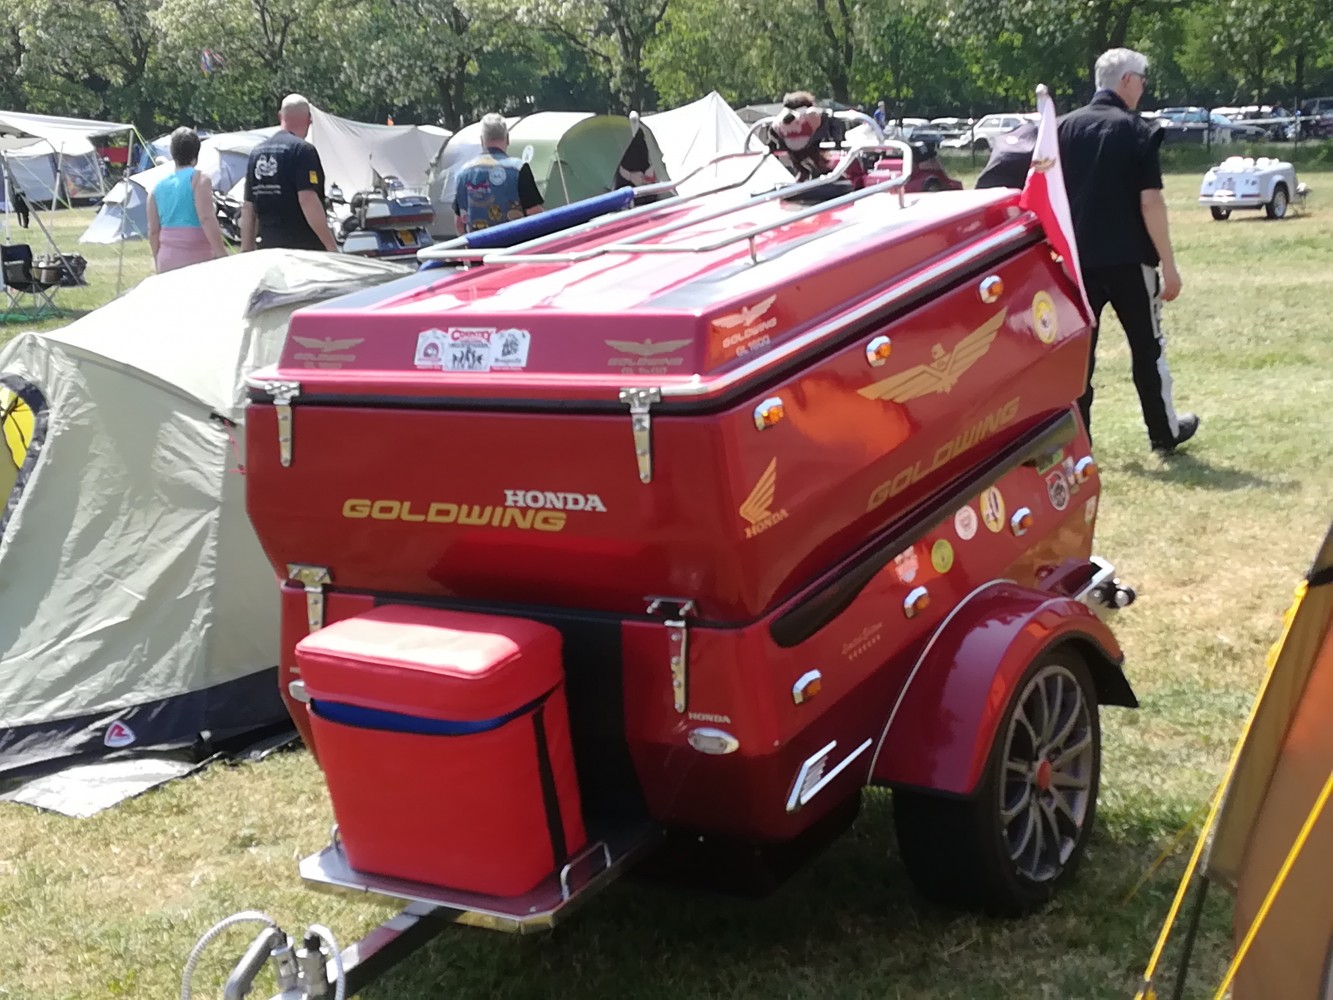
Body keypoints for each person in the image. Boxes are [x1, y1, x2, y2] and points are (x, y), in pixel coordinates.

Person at [1059, 48, 1199, 453]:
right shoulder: (1137, 130)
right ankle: (1163, 432)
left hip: (1077, 263)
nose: (1143, 87)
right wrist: (1169, 265)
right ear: (1126, 80)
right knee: (1147, 348)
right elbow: (1150, 202)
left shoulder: (1062, 129)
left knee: (1079, 356)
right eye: (1141, 79)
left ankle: (1078, 441)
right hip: (1129, 260)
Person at [241, 93, 338, 253]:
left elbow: (248, 207)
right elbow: (307, 199)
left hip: (268, 248)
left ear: (280, 116)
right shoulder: (303, 151)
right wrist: (331, 245)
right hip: (302, 249)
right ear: (309, 119)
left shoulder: (257, 153)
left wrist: (246, 249)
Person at [146, 127, 228, 273]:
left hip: (167, 259)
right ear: (196, 155)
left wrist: (157, 259)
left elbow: (153, 231)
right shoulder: (200, 180)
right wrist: (221, 253)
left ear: (172, 153)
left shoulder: (156, 189)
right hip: (197, 257)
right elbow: (206, 218)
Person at [453, 114, 543, 234]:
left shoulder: (463, 174)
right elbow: (535, 213)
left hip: (480, 244)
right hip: (516, 243)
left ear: (482, 140)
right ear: (507, 138)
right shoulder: (518, 169)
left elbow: (459, 223)